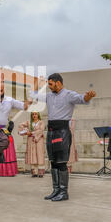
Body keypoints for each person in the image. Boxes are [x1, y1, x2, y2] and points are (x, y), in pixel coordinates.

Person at [29, 74, 96, 202]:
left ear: (58, 83)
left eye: (50, 84)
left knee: (61, 162)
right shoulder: (49, 96)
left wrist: (89, 95)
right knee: (53, 161)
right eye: (48, 84)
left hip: (62, 132)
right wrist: (38, 83)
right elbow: (33, 95)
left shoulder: (69, 94)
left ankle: (64, 192)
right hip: (51, 131)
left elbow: (82, 99)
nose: (49, 86)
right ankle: (56, 190)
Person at [19, 112, 46, 177]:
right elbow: (20, 125)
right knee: (32, 154)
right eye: (33, 114)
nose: (34, 115)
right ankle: (34, 171)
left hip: (38, 140)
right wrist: (26, 131)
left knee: (39, 154)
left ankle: (40, 171)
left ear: (38, 115)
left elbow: (41, 130)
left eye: (36, 114)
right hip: (31, 140)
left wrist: (32, 133)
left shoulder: (41, 122)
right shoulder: (29, 122)